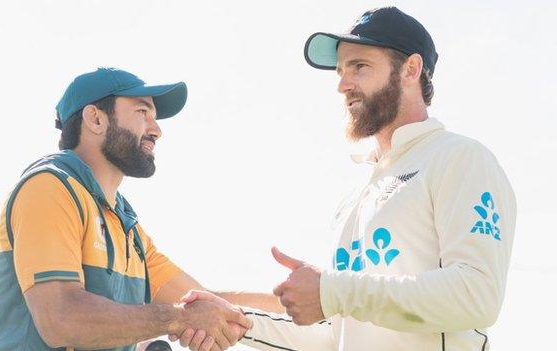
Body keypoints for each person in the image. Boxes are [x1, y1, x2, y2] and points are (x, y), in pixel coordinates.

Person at [173, 6, 516, 351]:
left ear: (411, 69)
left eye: (359, 67)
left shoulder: (460, 158)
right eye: (340, 71)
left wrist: (332, 290)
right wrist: (235, 322)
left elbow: (477, 296)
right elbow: (337, 337)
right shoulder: (356, 195)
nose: (342, 85)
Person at [0, 67, 285, 351]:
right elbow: (61, 318)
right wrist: (178, 318)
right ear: (95, 119)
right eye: (142, 112)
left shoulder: (127, 227)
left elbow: (206, 303)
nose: (156, 130)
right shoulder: (49, 188)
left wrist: (320, 300)